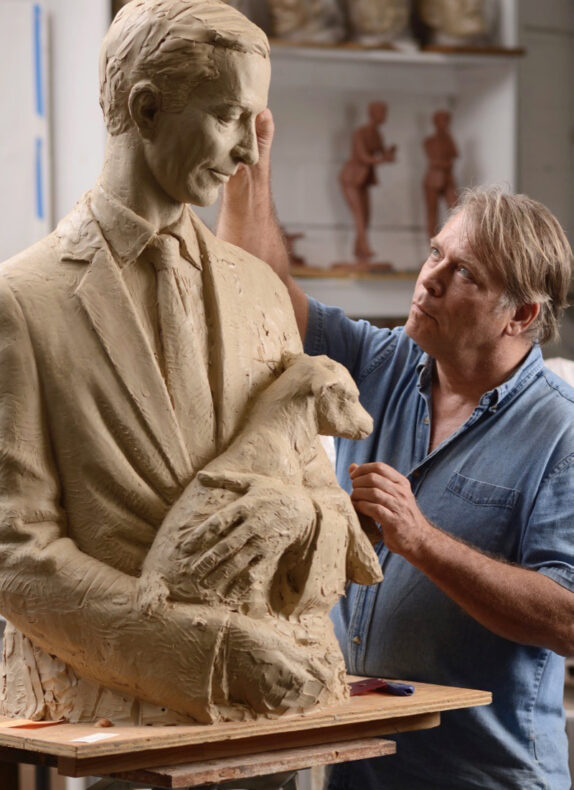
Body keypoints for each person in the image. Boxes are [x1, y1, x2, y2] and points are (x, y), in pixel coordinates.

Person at [0, 0, 358, 726]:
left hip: (291, 705)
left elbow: (329, 503)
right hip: (124, 712)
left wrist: (298, 515)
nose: (250, 154)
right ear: (147, 107)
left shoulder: (259, 289)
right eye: (229, 116)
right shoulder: (22, 301)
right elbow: (18, 555)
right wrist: (210, 654)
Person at [217, 111, 574, 788]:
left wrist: (419, 539)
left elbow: (568, 618)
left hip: (484, 778)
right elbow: (263, 300)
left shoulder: (560, 434)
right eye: (435, 252)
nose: (429, 279)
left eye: (463, 272)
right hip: (365, 765)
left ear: (521, 315)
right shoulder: (389, 361)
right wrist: (250, 163)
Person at [339, 101, 396, 261]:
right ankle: (365, 247)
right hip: (351, 177)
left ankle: (359, 252)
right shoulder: (360, 133)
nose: (384, 116)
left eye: (385, 112)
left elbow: (383, 154)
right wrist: (383, 159)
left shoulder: (377, 134)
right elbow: (364, 157)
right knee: (359, 214)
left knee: (366, 217)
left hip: (364, 179)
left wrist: (389, 155)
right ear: (372, 113)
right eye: (381, 112)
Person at [423, 109, 458, 239]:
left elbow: (455, 155)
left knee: (455, 208)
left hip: (448, 178)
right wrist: (445, 164)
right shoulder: (429, 141)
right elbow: (434, 161)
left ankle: (452, 242)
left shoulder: (449, 140)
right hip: (433, 179)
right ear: (436, 123)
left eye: (447, 121)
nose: (445, 124)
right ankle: (432, 246)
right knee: (432, 213)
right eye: (442, 121)